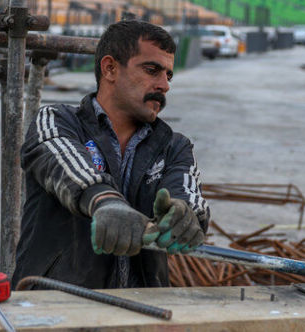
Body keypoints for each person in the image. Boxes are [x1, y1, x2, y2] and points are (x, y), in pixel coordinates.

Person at [13, 20, 210, 289]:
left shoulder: (175, 147)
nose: (164, 85)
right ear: (110, 68)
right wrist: (105, 202)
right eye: (152, 70)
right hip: (56, 306)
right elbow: (67, 165)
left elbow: (189, 197)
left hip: (142, 310)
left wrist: (185, 216)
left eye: (168, 75)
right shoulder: (56, 120)